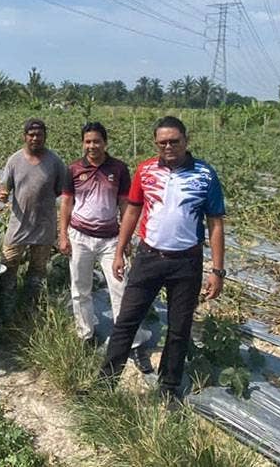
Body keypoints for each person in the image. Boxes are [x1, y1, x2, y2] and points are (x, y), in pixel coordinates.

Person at [99, 116, 226, 403]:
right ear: (156, 144)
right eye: (163, 142)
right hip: (148, 257)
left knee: (179, 328)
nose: (169, 146)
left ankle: (169, 388)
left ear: (186, 140)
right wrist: (120, 250)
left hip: (187, 262)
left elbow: (215, 223)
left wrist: (217, 270)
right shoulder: (145, 170)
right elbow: (132, 211)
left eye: (174, 141)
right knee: (126, 321)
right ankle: (105, 382)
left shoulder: (205, 175)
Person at [58, 122, 150, 354]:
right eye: (88, 141)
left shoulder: (118, 169)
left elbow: (124, 204)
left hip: (110, 240)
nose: (92, 146)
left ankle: (129, 340)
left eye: (97, 141)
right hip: (79, 237)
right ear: (83, 143)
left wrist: (125, 238)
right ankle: (85, 333)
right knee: (80, 288)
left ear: (105, 143)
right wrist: (62, 235)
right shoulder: (74, 169)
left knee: (120, 288)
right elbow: (67, 203)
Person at [0, 118, 68, 322]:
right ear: (25, 136)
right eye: (31, 135)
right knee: (8, 267)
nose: (35, 138)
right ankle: (5, 313)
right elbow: (4, 186)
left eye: (39, 135)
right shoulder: (14, 160)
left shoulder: (54, 161)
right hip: (18, 225)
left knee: (37, 271)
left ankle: (28, 311)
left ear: (45, 137)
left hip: (44, 226)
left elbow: (63, 189)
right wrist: (2, 193)